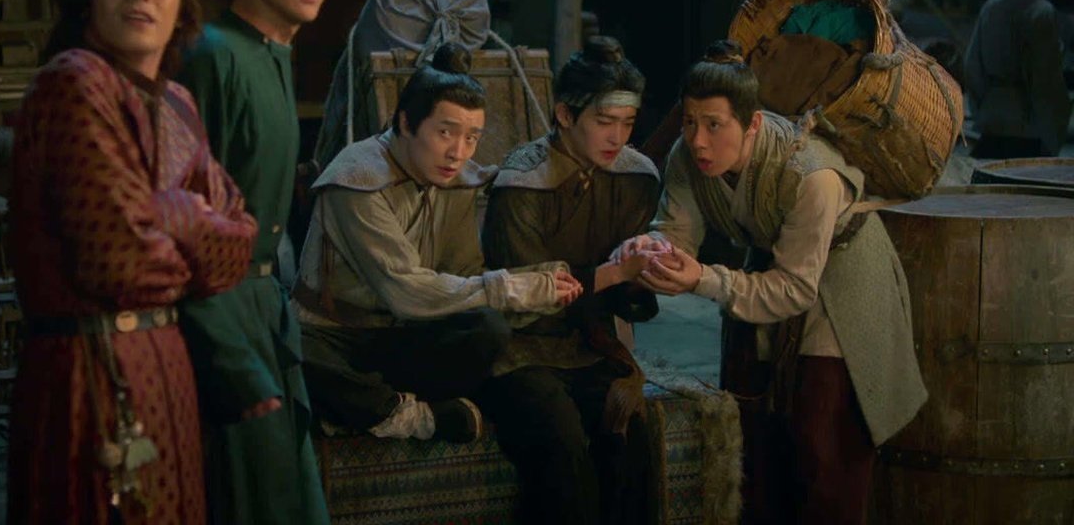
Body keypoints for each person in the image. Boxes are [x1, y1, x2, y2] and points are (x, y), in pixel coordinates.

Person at [7, 0, 257, 525]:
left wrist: (176, 219)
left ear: (180, 2)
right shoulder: (76, 83)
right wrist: (192, 228)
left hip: (166, 368)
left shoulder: (177, 103)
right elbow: (118, 260)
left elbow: (239, 245)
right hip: (89, 373)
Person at [625, 41, 926, 525]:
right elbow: (676, 232)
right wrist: (651, 249)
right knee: (754, 436)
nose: (698, 140)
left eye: (714, 125)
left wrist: (704, 279)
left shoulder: (812, 175)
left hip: (841, 279)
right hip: (767, 265)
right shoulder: (687, 155)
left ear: (753, 125)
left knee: (823, 440)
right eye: (689, 122)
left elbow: (795, 288)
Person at [294, 43, 583, 442]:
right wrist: (510, 288)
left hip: (403, 334)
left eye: (472, 138)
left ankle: (357, 409)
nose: (457, 153)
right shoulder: (357, 178)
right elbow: (405, 291)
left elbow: (462, 277)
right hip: (335, 335)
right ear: (406, 122)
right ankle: (407, 416)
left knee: (487, 327)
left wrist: (538, 287)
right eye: (445, 133)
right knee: (289, 348)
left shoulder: (456, 180)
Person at [174, 0, 335, 524]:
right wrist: (229, 356)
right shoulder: (214, 55)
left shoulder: (273, 53)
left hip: (266, 309)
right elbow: (182, 220)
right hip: (223, 314)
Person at [479, 37, 662, 525]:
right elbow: (522, 297)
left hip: (589, 345)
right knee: (560, 440)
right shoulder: (522, 181)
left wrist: (643, 275)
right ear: (564, 114)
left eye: (628, 123)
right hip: (519, 350)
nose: (617, 137)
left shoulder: (637, 177)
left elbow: (627, 293)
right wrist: (614, 273)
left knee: (630, 437)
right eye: (604, 121)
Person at [964, 0, 1071, 157]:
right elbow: (1046, 83)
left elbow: (972, 67)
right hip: (1028, 131)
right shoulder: (1041, 12)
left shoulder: (991, 6)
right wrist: (1053, 131)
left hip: (991, 126)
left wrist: (985, 109)